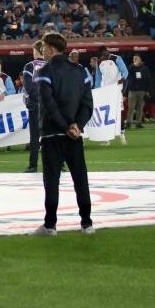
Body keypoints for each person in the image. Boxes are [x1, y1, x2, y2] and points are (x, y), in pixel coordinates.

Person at [32, 32, 94, 236]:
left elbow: (49, 106)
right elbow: (88, 104)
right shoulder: (81, 71)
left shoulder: (44, 71)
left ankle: (50, 225)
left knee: (52, 181)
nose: (42, 51)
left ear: (50, 48)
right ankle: (87, 223)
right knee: (80, 179)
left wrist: (64, 126)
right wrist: (77, 126)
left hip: (52, 134)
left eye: (43, 48)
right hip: (74, 136)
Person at [94, 45, 129, 146]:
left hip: (117, 90)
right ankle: (106, 138)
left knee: (119, 113)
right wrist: (96, 90)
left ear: (106, 51)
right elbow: (98, 78)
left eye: (103, 54)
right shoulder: (99, 62)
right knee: (105, 115)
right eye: (100, 56)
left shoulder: (117, 58)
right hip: (105, 92)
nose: (102, 57)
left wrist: (122, 78)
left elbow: (125, 71)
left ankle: (122, 134)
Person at [21, 40, 47, 173]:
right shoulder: (51, 65)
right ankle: (59, 165)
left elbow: (29, 87)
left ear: (36, 51)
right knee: (52, 135)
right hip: (50, 106)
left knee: (34, 137)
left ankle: (33, 166)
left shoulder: (29, 66)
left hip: (36, 106)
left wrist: (36, 100)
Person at [125, 54, 152, 129]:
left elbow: (148, 79)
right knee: (131, 108)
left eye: (136, 58)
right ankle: (129, 123)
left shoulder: (144, 68)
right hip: (132, 90)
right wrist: (133, 66)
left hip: (142, 90)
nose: (135, 60)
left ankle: (138, 123)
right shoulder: (130, 67)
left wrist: (147, 91)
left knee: (140, 108)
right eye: (134, 58)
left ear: (140, 59)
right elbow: (128, 77)